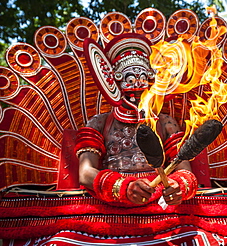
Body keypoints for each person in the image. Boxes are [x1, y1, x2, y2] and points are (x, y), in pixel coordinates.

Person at [75, 33, 198, 207]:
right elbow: (86, 173)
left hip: (159, 201)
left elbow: (184, 170)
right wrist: (124, 187)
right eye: (130, 79)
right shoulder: (99, 123)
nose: (138, 86)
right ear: (115, 83)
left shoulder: (165, 123)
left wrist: (178, 187)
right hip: (113, 201)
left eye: (142, 79)